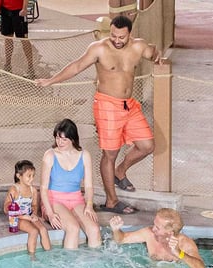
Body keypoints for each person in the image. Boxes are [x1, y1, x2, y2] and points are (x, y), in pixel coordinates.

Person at [36, 15, 163, 215]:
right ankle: (112, 201)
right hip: (106, 105)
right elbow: (76, 66)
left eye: (121, 37)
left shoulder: (138, 46)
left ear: (130, 34)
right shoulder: (99, 49)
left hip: (129, 105)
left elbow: (152, 51)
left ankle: (120, 171)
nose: (117, 40)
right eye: (113, 35)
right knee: (110, 154)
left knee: (147, 146)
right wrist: (51, 81)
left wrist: (157, 54)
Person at [40, 119, 101, 249]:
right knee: (73, 228)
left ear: (72, 139)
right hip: (54, 200)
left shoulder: (84, 155)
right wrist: (50, 214)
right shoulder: (50, 155)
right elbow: (43, 189)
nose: (59, 142)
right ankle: (69, 262)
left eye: (64, 139)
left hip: (76, 199)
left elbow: (88, 186)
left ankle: (95, 261)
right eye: (57, 138)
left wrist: (89, 205)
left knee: (94, 229)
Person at [107, 208, 206, 268]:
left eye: (157, 228)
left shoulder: (185, 243)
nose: (153, 228)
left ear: (170, 232)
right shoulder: (148, 233)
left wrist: (179, 253)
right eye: (154, 224)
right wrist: (116, 230)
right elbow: (121, 239)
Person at [6, 159, 50, 259]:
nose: (32, 179)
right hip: (17, 218)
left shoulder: (33, 190)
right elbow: (6, 208)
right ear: (19, 176)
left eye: (33, 176)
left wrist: (33, 214)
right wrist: (23, 216)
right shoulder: (14, 190)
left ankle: (49, 255)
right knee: (33, 231)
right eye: (29, 176)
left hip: (30, 215)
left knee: (43, 229)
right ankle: (32, 257)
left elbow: (34, 205)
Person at [0, 0, 38, 76]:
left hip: (19, 11)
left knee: (24, 40)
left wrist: (24, 8)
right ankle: (7, 66)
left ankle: (30, 68)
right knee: (8, 38)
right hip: (5, 10)